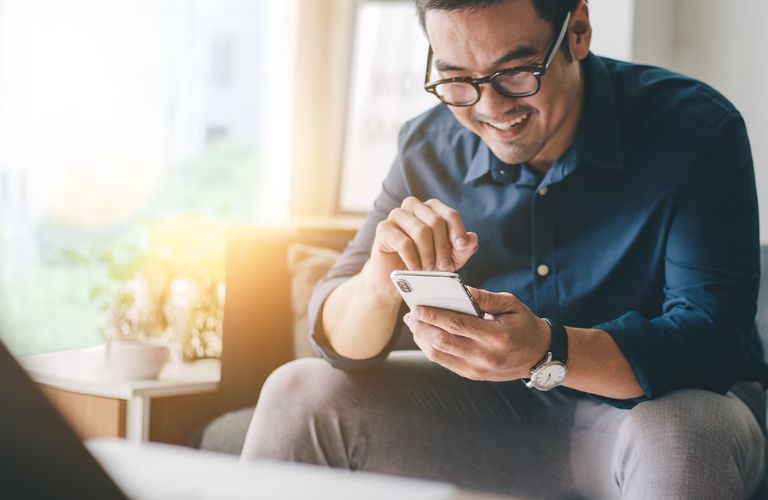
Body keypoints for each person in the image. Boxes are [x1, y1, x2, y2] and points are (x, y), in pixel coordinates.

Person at [241, 0, 768, 498]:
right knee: (299, 394)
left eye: (516, 72)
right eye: (456, 79)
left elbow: (711, 342)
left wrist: (548, 349)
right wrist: (379, 285)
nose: (489, 107)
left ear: (577, 30)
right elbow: (336, 340)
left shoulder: (695, 129)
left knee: (681, 431)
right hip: (501, 421)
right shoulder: (427, 147)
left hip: (660, 413)